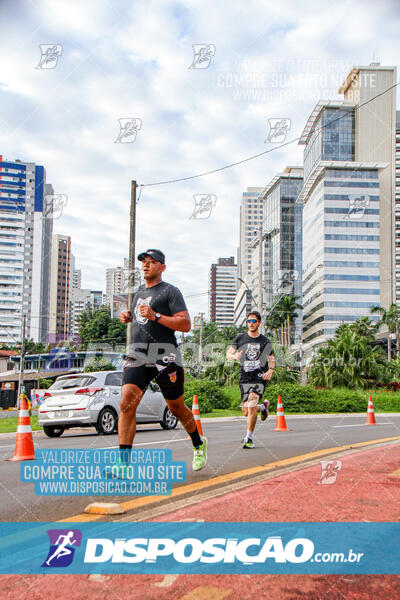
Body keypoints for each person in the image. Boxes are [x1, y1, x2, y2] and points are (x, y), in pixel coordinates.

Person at [118, 249, 207, 472]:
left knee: (176, 408)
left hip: (165, 355)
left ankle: (198, 443)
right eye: (144, 262)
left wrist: (156, 316)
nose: (146, 266)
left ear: (162, 267)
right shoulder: (138, 292)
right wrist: (128, 316)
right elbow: (141, 317)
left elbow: (185, 324)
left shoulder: (170, 292)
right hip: (138, 353)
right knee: (126, 402)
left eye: (151, 262)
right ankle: (124, 463)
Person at [226, 310, 275, 448]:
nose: (251, 323)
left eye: (254, 321)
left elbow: (271, 359)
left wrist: (270, 370)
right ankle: (263, 407)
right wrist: (233, 356)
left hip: (259, 376)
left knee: (251, 405)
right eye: (249, 321)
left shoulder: (265, 341)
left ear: (259, 322)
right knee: (246, 411)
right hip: (245, 377)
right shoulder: (240, 338)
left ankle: (248, 438)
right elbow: (229, 353)